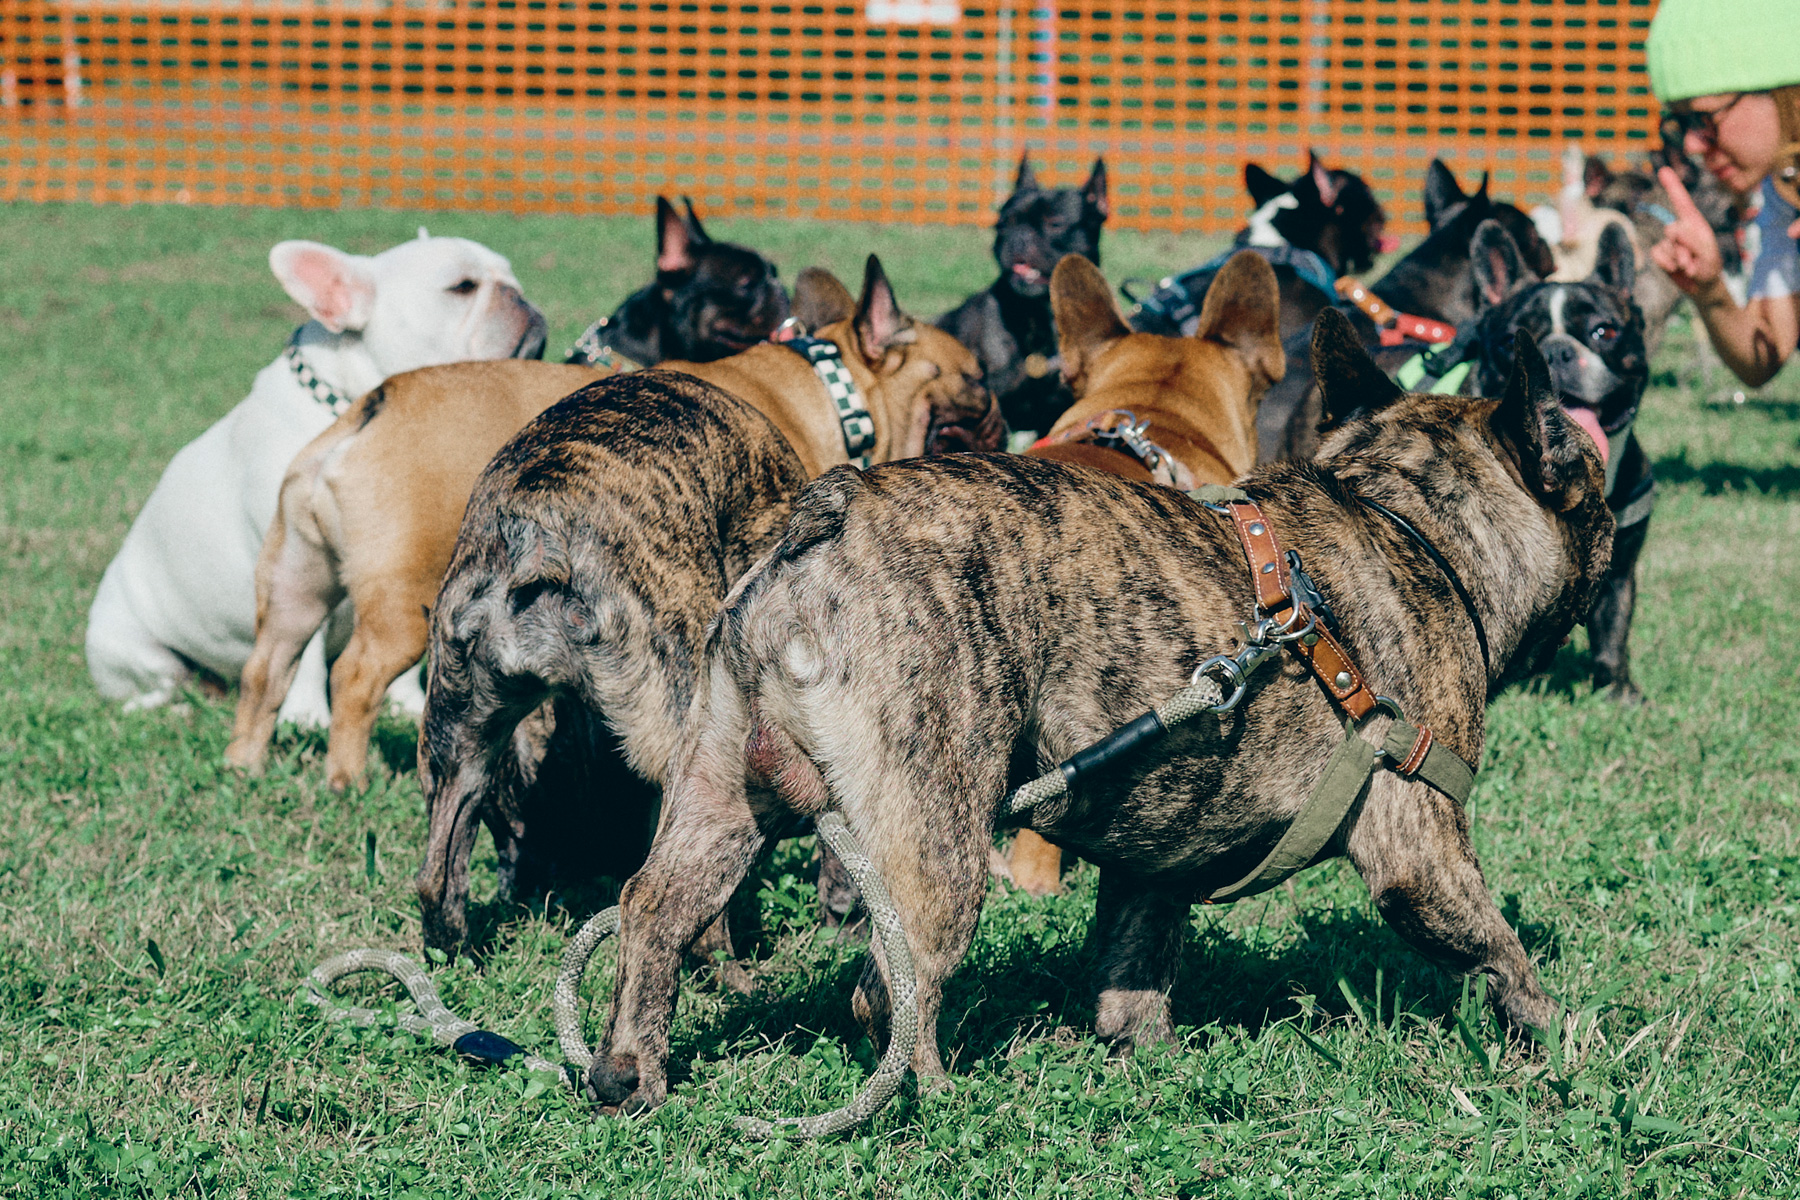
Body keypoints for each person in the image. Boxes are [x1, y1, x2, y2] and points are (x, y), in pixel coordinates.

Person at [1645, 0, 1800, 387]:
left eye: (1704, 118)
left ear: (1786, 93)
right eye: (1680, 122)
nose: (1693, 145)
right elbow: (1763, 359)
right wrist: (1710, 290)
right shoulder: (1783, 192)